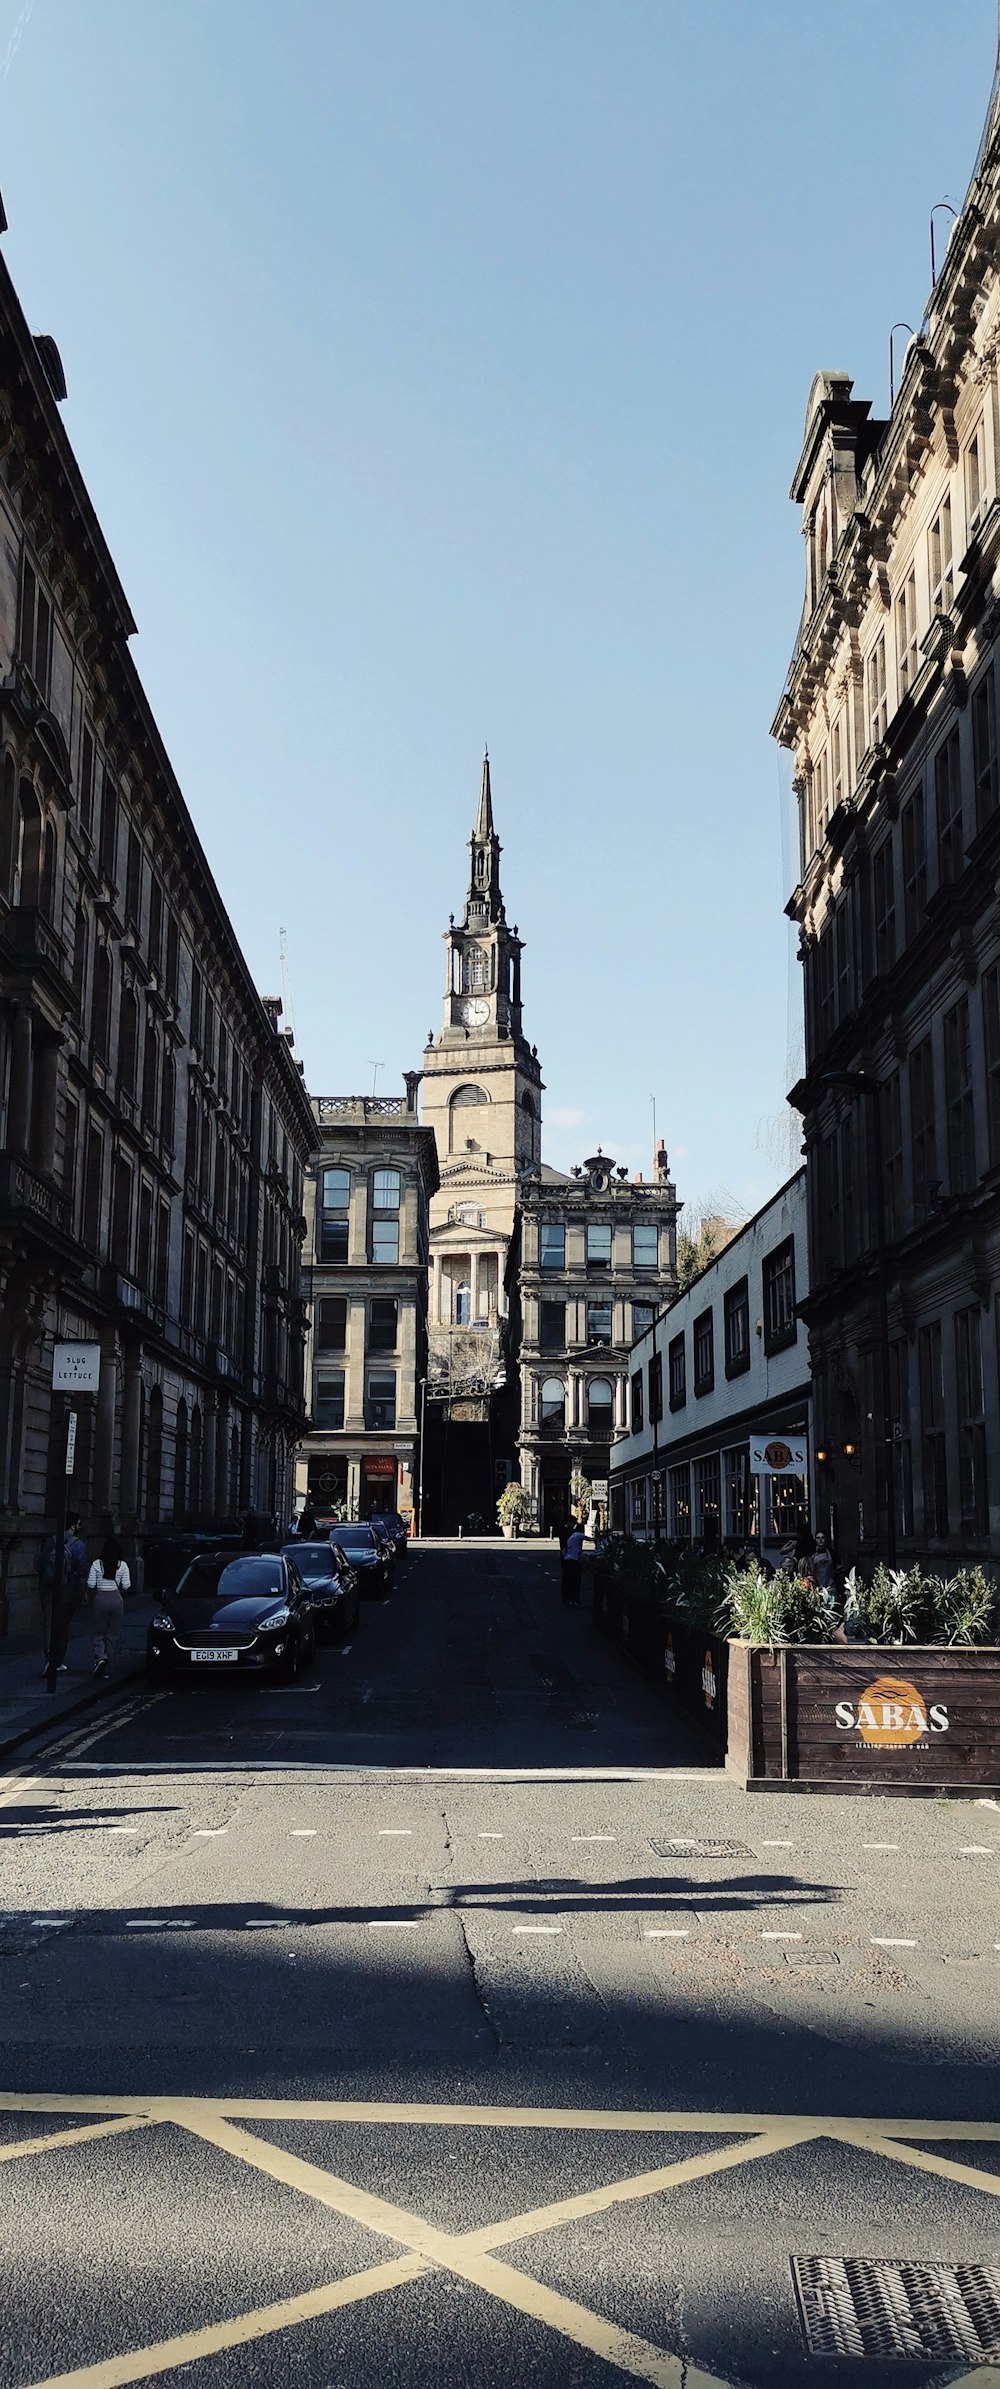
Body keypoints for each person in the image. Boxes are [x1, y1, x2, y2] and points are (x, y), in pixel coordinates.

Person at [39, 1512, 88, 1675]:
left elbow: (40, 1565)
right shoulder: (79, 1546)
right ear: (73, 1525)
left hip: (48, 1589)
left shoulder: (49, 1542)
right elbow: (81, 1572)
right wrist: (83, 1594)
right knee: (63, 1626)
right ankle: (58, 1661)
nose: (80, 1526)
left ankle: (48, 1659)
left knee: (49, 1624)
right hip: (68, 1590)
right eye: (79, 1523)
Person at [87, 1536, 131, 1677]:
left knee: (98, 1633)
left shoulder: (96, 1564)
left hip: (101, 1598)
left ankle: (100, 1657)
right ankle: (108, 1667)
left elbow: (91, 1584)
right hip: (116, 1599)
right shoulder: (122, 1565)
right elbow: (126, 1585)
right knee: (112, 1635)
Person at [561, 1521, 585, 1607]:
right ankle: (575, 1600)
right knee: (576, 1581)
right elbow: (591, 1539)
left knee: (568, 1580)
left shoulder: (572, 1536)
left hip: (568, 1559)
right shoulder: (579, 1535)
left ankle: (568, 1599)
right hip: (574, 1561)